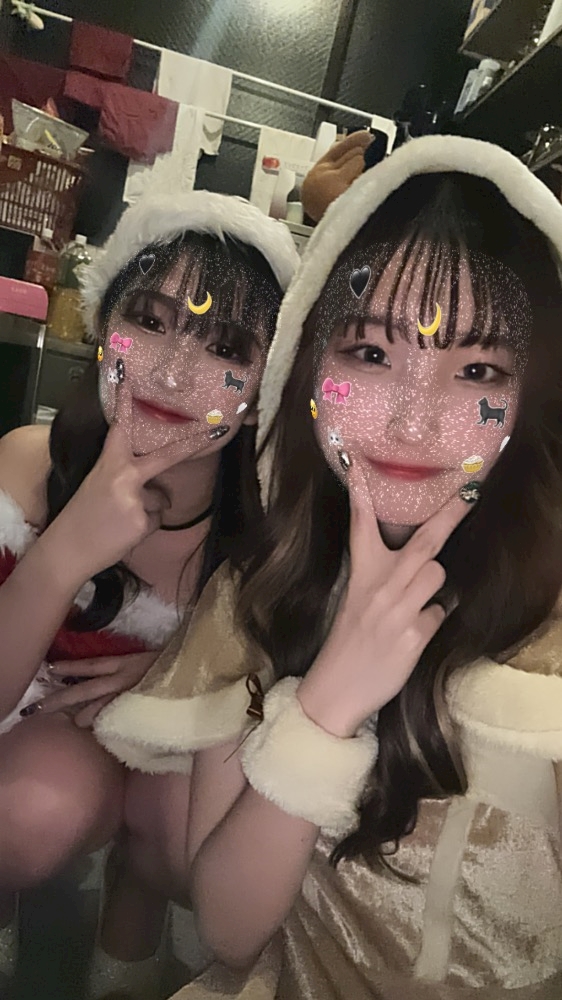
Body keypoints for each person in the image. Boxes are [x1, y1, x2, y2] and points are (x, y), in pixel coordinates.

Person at [144, 135, 562, 1000]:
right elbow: (228, 928)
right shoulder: (259, 592)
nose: (413, 422)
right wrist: (328, 703)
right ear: (308, 364)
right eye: (371, 354)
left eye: (476, 369)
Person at [0, 189, 298, 994]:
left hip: (168, 755)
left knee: (182, 833)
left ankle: (127, 946)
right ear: (104, 326)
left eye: (225, 345)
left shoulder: (266, 537)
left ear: (264, 389)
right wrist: (63, 553)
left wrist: (174, 674)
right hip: (39, 746)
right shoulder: (26, 467)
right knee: (27, 814)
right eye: (151, 320)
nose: (173, 370)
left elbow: (273, 698)